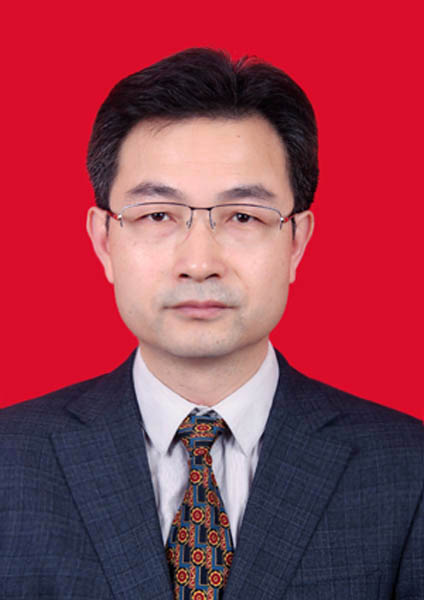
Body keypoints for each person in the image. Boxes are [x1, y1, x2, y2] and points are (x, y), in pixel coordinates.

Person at [0, 48, 422, 600]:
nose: (199, 263)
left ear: (297, 241)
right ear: (103, 240)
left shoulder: (408, 470)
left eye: (242, 216)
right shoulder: (11, 460)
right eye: (157, 215)